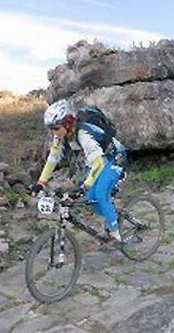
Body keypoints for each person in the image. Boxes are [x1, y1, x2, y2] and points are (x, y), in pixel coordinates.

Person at [31, 99, 127, 242]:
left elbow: (99, 163)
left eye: (56, 128)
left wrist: (85, 185)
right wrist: (41, 183)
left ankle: (115, 233)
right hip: (95, 160)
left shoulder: (83, 134)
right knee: (91, 199)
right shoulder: (60, 136)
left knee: (100, 194)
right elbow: (52, 160)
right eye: (51, 129)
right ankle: (113, 214)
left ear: (67, 123)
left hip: (113, 157)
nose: (54, 133)